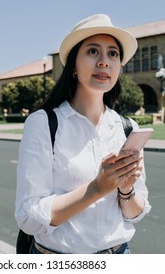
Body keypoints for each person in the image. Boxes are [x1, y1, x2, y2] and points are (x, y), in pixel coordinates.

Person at [15, 14, 151, 254]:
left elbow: (135, 215)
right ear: (74, 66)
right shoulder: (43, 123)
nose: (104, 62)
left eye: (113, 54)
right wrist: (97, 188)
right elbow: (28, 217)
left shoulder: (128, 128)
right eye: (92, 52)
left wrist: (126, 190)